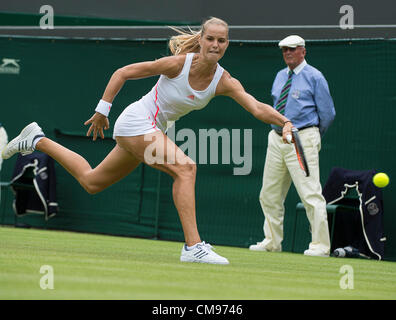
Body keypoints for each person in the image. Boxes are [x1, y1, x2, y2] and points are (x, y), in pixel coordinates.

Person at [2, 17, 294, 264]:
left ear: (226, 44)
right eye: (211, 39)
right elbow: (124, 73)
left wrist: (285, 122)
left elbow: (257, 107)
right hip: (136, 122)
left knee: (92, 182)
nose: (216, 45)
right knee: (186, 168)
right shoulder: (177, 64)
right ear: (202, 40)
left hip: (150, 129)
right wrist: (102, 110)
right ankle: (193, 247)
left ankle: (36, 140)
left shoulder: (224, 81)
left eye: (222, 41)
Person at [249, 35, 336, 257]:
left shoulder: (315, 76)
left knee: (310, 193)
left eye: (292, 49)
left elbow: (327, 113)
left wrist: (310, 136)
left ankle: (321, 246)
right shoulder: (280, 76)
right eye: (284, 50)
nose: (287, 53)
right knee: (268, 194)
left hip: (302, 137)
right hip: (276, 137)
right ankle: (271, 241)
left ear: (303, 51)